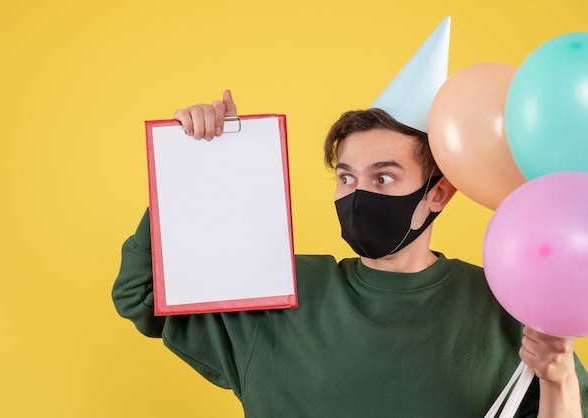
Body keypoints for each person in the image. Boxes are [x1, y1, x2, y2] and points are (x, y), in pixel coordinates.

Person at [112, 90, 588, 417]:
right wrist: (190, 162)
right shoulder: (282, 289)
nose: (357, 195)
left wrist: (560, 378)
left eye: (383, 178)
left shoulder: (506, 303)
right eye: (346, 178)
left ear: (438, 193)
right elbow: (142, 293)